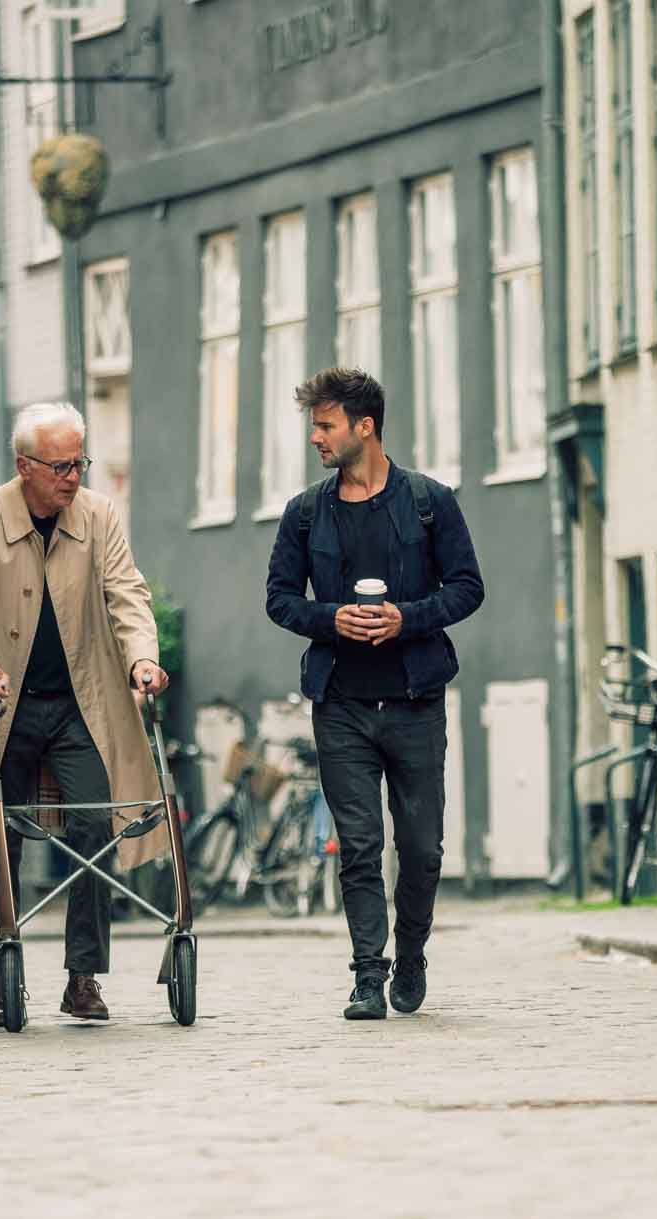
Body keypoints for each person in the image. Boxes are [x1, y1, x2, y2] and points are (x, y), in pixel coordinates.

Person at [0, 401, 169, 1027]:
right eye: (60, 465)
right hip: (4, 704)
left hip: (82, 705)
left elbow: (127, 593)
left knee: (94, 823)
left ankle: (82, 977)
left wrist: (142, 658)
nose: (74, 475)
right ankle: (3, 975)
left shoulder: (99, 516)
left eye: (80, 461)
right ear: (24, 465)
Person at [265, 368, 484, 1020]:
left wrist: (405, 618)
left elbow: (468, 587)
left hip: (416, 699)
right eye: (314, 425)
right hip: (342, 704)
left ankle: (410, 952)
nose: (315, 438)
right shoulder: (306, 513)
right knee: (357, 844)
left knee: (421, 848)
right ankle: (368, 973)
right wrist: (330, 619)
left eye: (325, 425)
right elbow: (278, 598)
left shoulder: (429, 501)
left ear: (365, 426)